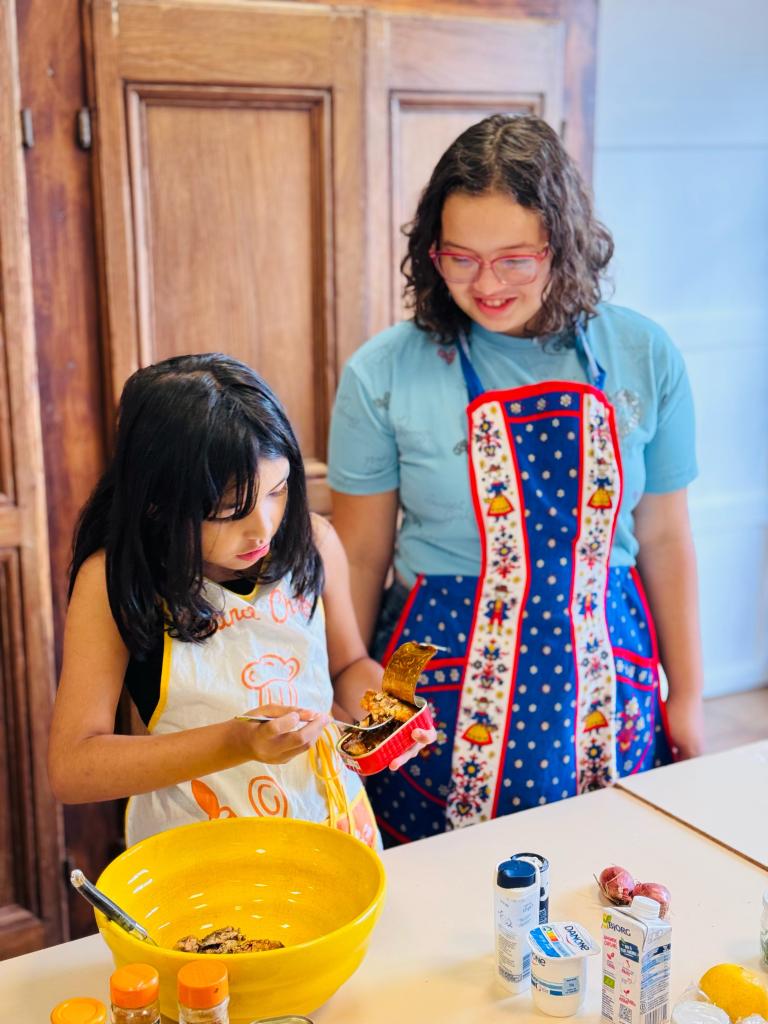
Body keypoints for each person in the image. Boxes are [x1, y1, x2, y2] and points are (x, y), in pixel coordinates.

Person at [328, 113, 704, 846]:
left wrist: (687, 693)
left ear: (563, 244)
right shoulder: (383, 373)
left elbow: (664, 537)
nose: (486, 284)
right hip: (431, 679)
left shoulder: (644, 353)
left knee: (597, 873)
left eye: (515, 260)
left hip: (606, 676)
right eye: (460, 258)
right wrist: (346, 671)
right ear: (431, 251)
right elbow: (359, 556)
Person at [48, 353, 433, 848]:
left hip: (331, 828)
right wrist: (237, 742)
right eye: (231, 510)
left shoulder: (313, 541)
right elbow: (72, 768)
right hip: (199, 850)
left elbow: (346, 666)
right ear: (157, 503)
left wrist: (392, 713)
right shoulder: (117, 578)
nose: (263, 529)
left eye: (278, 490)